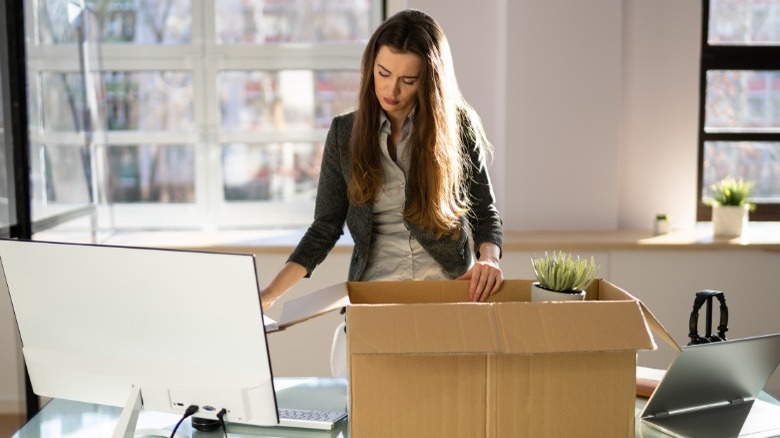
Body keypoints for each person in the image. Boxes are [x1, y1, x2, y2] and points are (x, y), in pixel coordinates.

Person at [260, 9, 503, 311]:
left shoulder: (458, 127)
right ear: (370, 67)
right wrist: (268, 295)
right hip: (375, 295)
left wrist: (490, 258)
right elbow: (325, 227)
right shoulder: (343, 133)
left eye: (408, 80)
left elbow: (484, 210)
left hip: (449, 291)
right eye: (383, 73)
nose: (391, 90)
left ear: (429, 81)